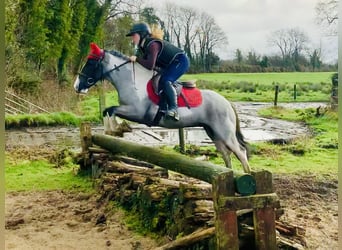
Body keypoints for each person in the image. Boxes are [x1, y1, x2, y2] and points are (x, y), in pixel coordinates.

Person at [126, 22, 190, 121]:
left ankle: (174, 109)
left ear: (142, 35)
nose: (132, 39)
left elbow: (150, 65)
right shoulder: (144, 47)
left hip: (180, 61)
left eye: (134, 35)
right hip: (171, 64)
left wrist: (137, 59)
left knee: (165, 81)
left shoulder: (153, 45)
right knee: (158, 82)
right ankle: (163, 108)